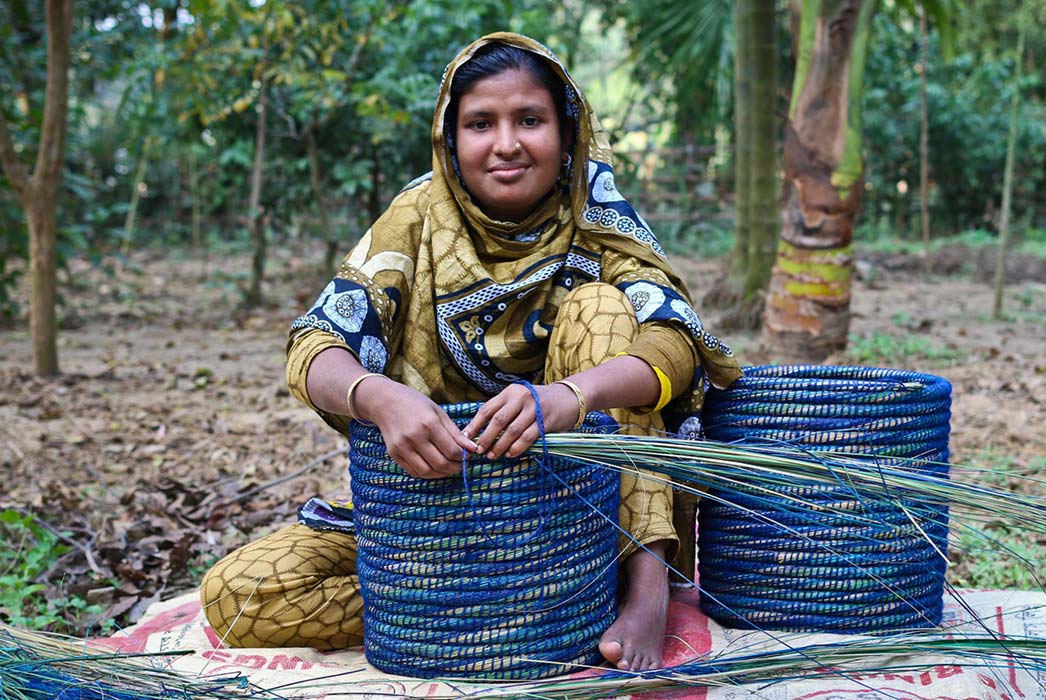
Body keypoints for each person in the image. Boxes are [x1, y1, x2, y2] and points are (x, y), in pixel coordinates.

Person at [200, 32, 740, 673]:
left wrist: (571, 396)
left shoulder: (593, 208)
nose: (507, 144)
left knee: (603, 310)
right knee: (237, 595)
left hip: (582, 516)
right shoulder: (418, 214)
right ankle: (499, 607)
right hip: (441, 517)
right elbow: (318, 343)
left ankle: (643, 590)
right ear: (450, 140)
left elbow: (676, 342)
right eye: (480, 123)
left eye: (531, 120)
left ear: (566, 135)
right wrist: (378, 396)